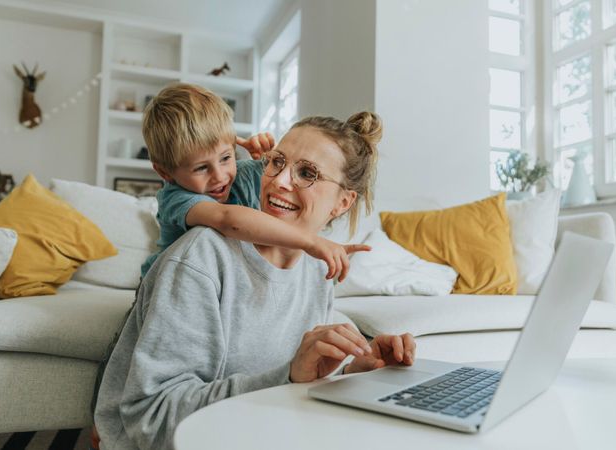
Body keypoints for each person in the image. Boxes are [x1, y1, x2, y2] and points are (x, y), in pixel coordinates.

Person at [94, 111, 416, 450]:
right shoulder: (199, 259)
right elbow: (151, 418)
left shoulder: (317, 271)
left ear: (343, 203)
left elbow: (297, 382)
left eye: (307, 173)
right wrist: (288, 377)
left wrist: (356, 373)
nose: (278, 181)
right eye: (277, 162)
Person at [139, 83, 368, 281]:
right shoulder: (176, 197)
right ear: (165, 172)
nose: (220, 176)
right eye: (201, 168)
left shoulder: (243, 172)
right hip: (170, 287)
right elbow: (227, 219)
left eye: (226, 158)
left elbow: (285, 173)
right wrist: (310, 242)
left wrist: (268, 157)